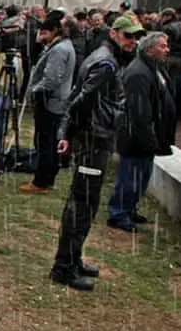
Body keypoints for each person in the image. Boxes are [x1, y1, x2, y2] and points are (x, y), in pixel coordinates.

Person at [50, 16, 144, 291]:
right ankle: (63, 266)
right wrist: (68, 132)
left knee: (87, 204)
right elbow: (81, 99)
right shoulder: (105, 63)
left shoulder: (105, 59)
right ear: (114, 34)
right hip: (94, 140)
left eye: (136, 37)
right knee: (81, 204)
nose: (133, 42)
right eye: (128, 36)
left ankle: (73, 258)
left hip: (97, 137)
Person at [107, 31, 176, 232]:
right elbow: (139, 112)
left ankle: (128, 209)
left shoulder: (154, 68)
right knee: (130, 175)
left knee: (140, 176)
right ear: (149, 49)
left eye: (167, 45)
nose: (167, 50)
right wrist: (147, 137)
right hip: (136, 136)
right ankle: (119, 213)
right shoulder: (139, 72)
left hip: (147, 135)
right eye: (162, 46)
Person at [22, 17, 76, 193]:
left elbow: (51, 79)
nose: (41, 36)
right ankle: (47, 178)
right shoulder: (64, 47)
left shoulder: (59, 50)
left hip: (50, 102)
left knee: (46, 142)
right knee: (49, 142)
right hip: (55, 101)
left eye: (44, 32)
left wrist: (35, 90)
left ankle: (41, 181)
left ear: (54, 31)